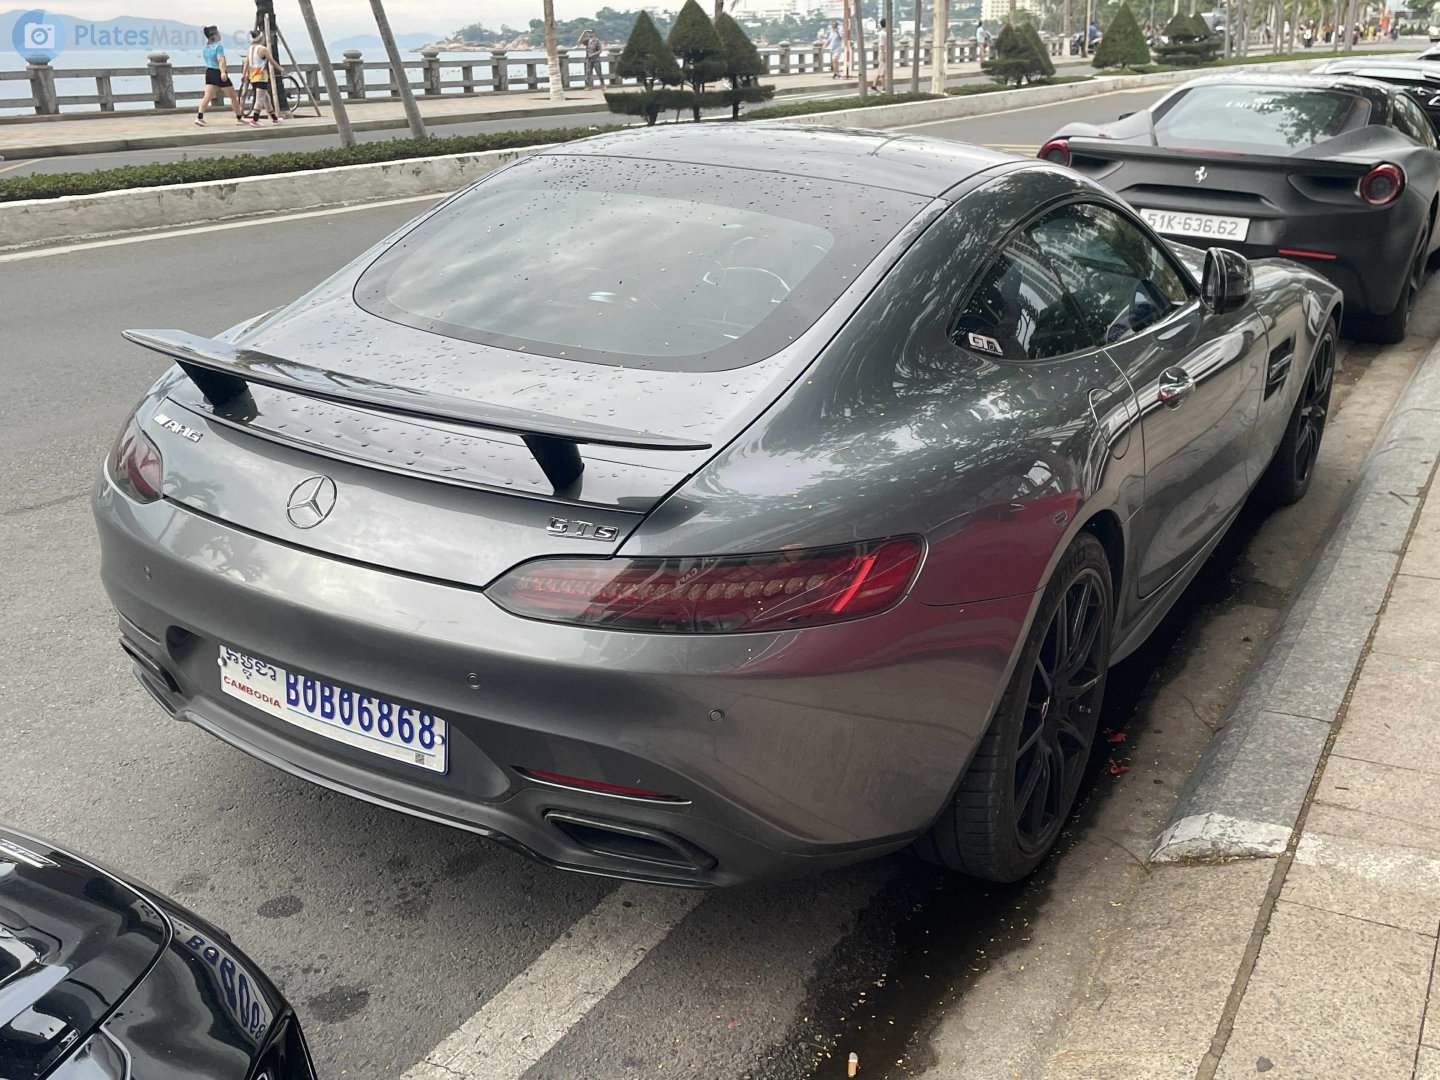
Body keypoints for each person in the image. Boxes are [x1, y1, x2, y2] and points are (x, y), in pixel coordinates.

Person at [196, 25, 243, 126]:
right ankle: (239, 118)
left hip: (209, 72)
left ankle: (199, 117)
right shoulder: (218, 46)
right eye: (218, 33)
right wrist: (223, 72)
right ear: (214, 36)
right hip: (218, 72)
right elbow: (220, 60)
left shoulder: (206, 48)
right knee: (233, 96)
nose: (220, 34)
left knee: (207, 97)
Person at [243, 28, 282, 126]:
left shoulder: (250, 49)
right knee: (260, 99)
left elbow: (246, 63)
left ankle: (274, 118)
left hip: (253, 76)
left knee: (266, 98)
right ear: (261, 38)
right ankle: (255, 120)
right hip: (261, 76)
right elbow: (272, 61)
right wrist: (280, 69)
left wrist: (244, 75)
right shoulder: (263, 49)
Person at [871, 17, 888, 91]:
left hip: (885, 53)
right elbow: (881, 45)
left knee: (880, 70)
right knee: (882, 73)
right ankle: (885, 88)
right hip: (884, 53)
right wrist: (883, 55)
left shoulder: (886, 33)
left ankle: (874, 85)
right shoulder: (882, 33)